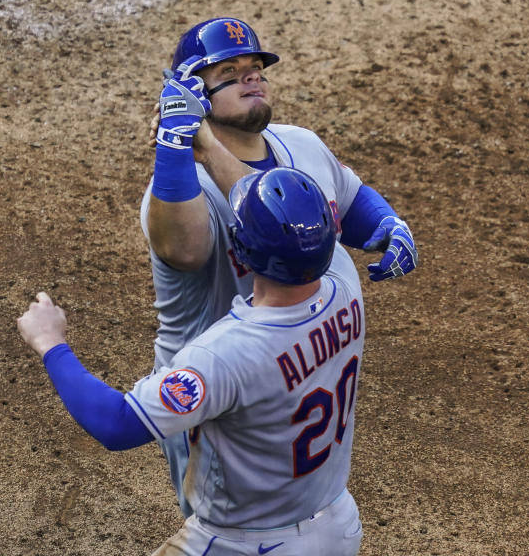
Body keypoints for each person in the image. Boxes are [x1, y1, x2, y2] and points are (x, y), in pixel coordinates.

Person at [143, 17, 418, 516]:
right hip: (214, 392)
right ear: (195, 94)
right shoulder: (183, 191)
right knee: (235, 537)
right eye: (229, 70)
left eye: (257, 67)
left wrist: (387, 223)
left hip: (298, 369)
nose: (252, 77)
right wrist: (178, 146)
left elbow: (349, 199)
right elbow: (181, 249)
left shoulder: (301, 144)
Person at [18, 167, 366, 555]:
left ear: (242, 251)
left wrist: (50, 341)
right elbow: (299, 235)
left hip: (245, 546)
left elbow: (115, 424)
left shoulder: (227, 354)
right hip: (338, 526)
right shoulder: (345, 284)